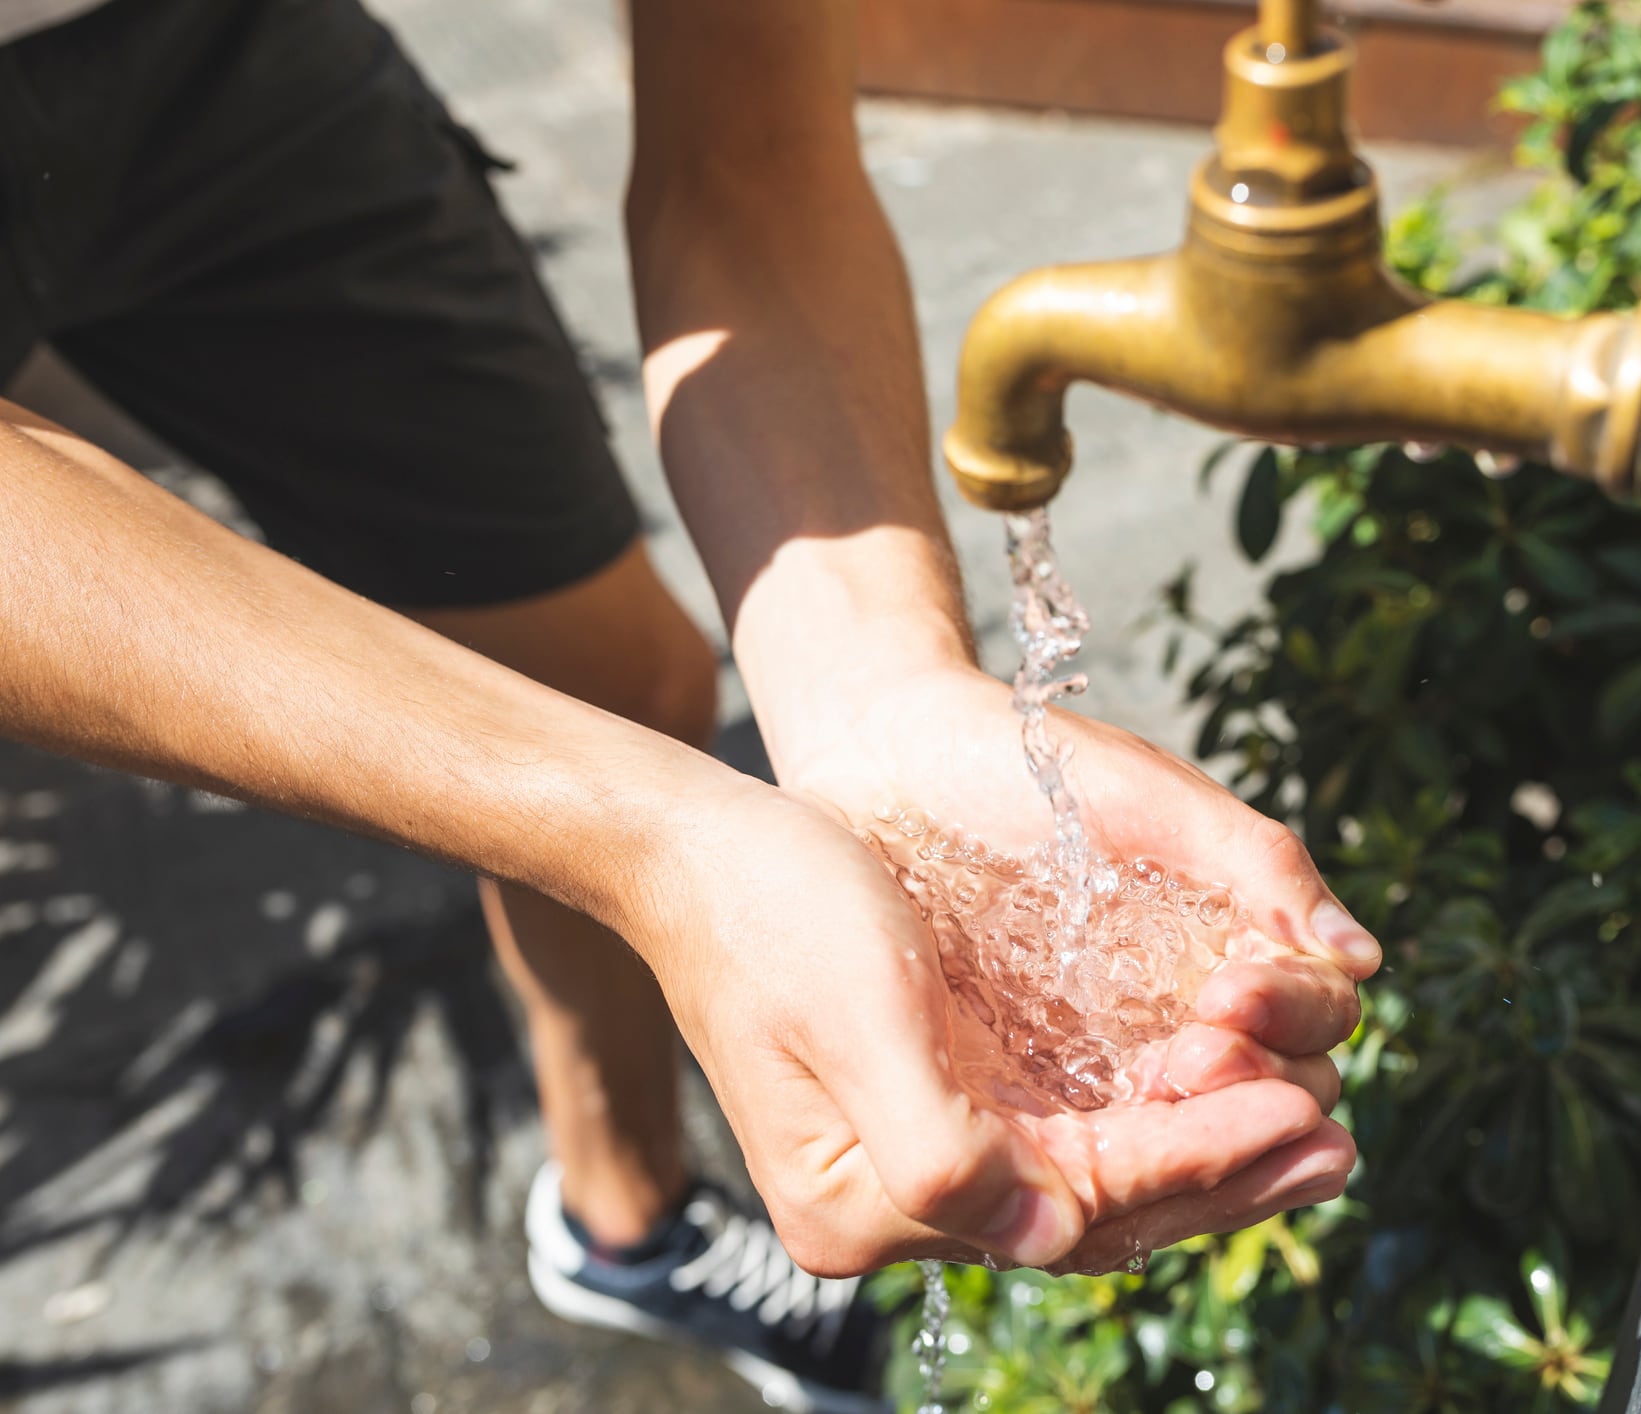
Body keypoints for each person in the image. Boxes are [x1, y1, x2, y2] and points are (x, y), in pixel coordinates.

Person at [0, 2, 1380, 1408]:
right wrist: (641, 836)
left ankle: (618, 1222)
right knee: (621, 779)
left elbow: (749, 158)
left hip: (213, 47)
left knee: (615, 680)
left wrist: (877, 697)